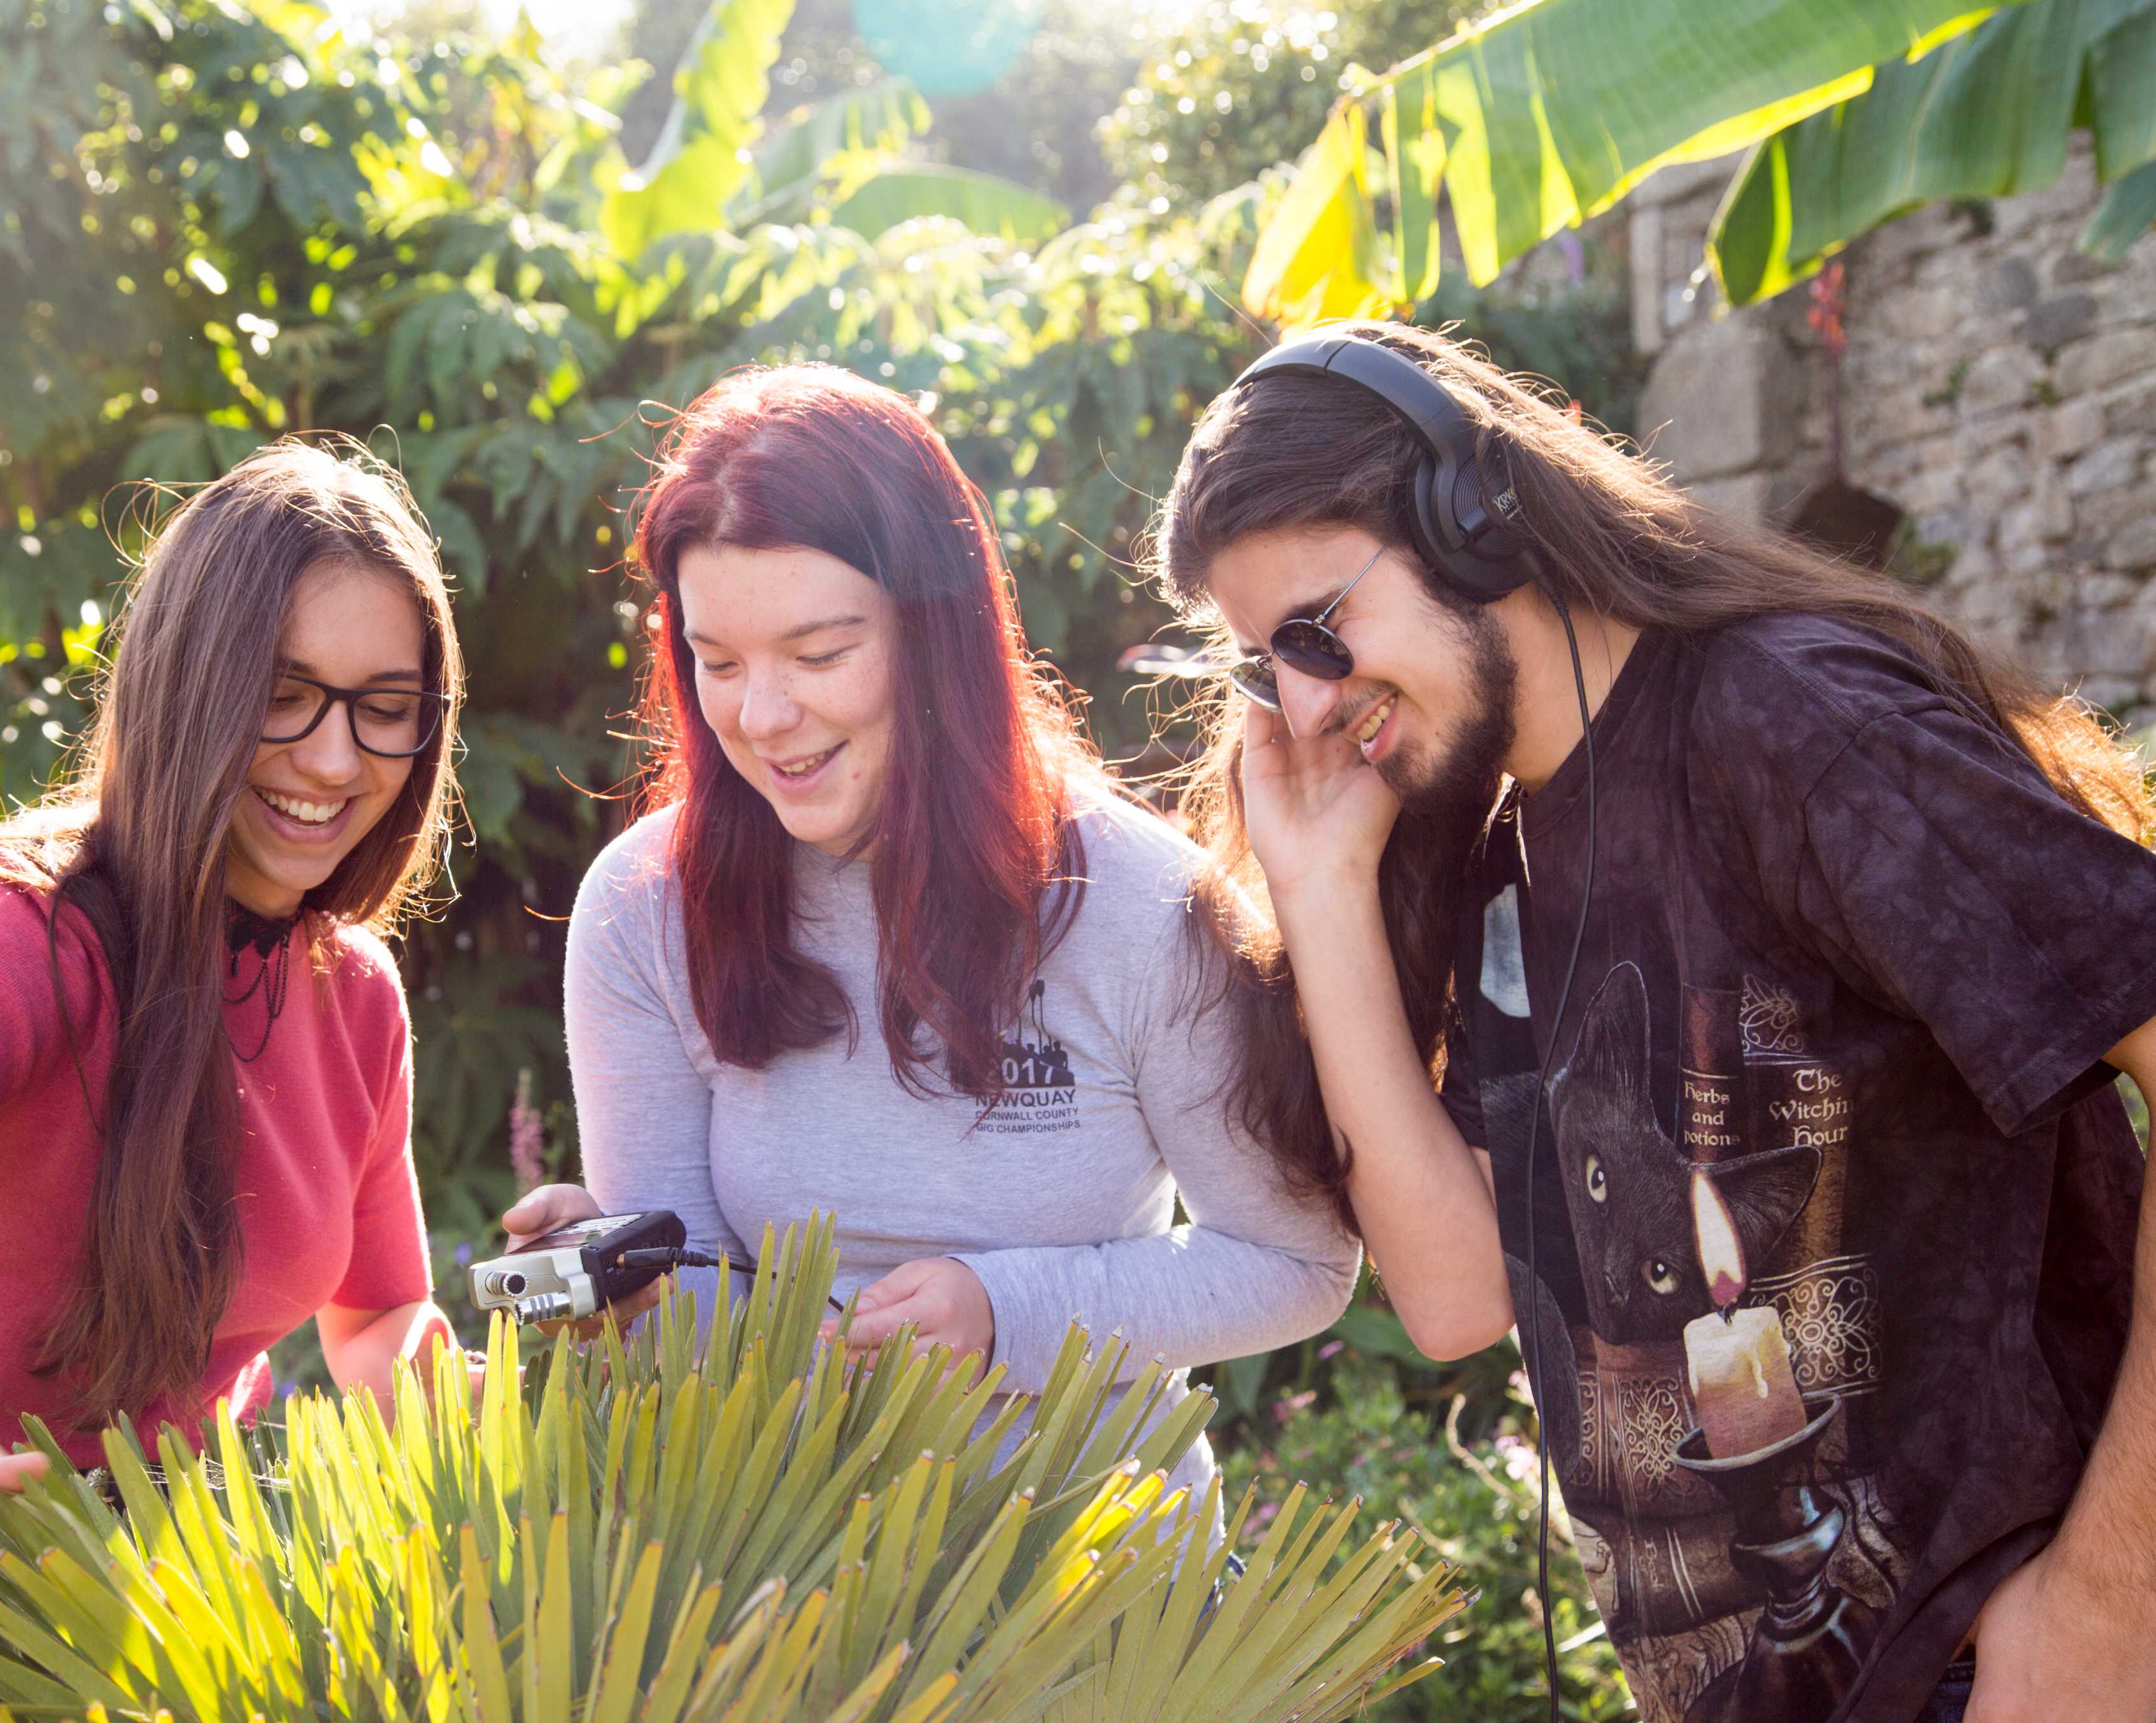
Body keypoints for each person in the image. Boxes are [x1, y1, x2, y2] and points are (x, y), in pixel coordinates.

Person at [1148, 319, 2155, 1723]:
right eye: (1270, 666)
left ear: (1477, 517)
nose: (1310, 704)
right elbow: (1449, 1297)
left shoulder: (1791, 724)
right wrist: (1321, 891)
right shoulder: (1500, 829)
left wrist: (2111, 1617)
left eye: (1320, 630)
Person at [504, 364, 1359, 1516]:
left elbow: (1295, 1265)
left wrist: (1005, 1315)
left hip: (1097, 1588)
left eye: (819, 656)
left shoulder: (1140, 903)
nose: (763, 718)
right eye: (718, 662)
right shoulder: (644, 907)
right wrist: (627, 1291)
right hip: (781, 1586)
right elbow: (698, 1323)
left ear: (935, 638)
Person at [0, 439, 467, 1599]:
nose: (335, 757)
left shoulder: (353, 993)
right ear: (187, 686)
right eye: (281, 695)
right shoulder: (33, 933)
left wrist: (484, 1392)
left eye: (385, 709)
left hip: (171, 1591)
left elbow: (381, 1313)